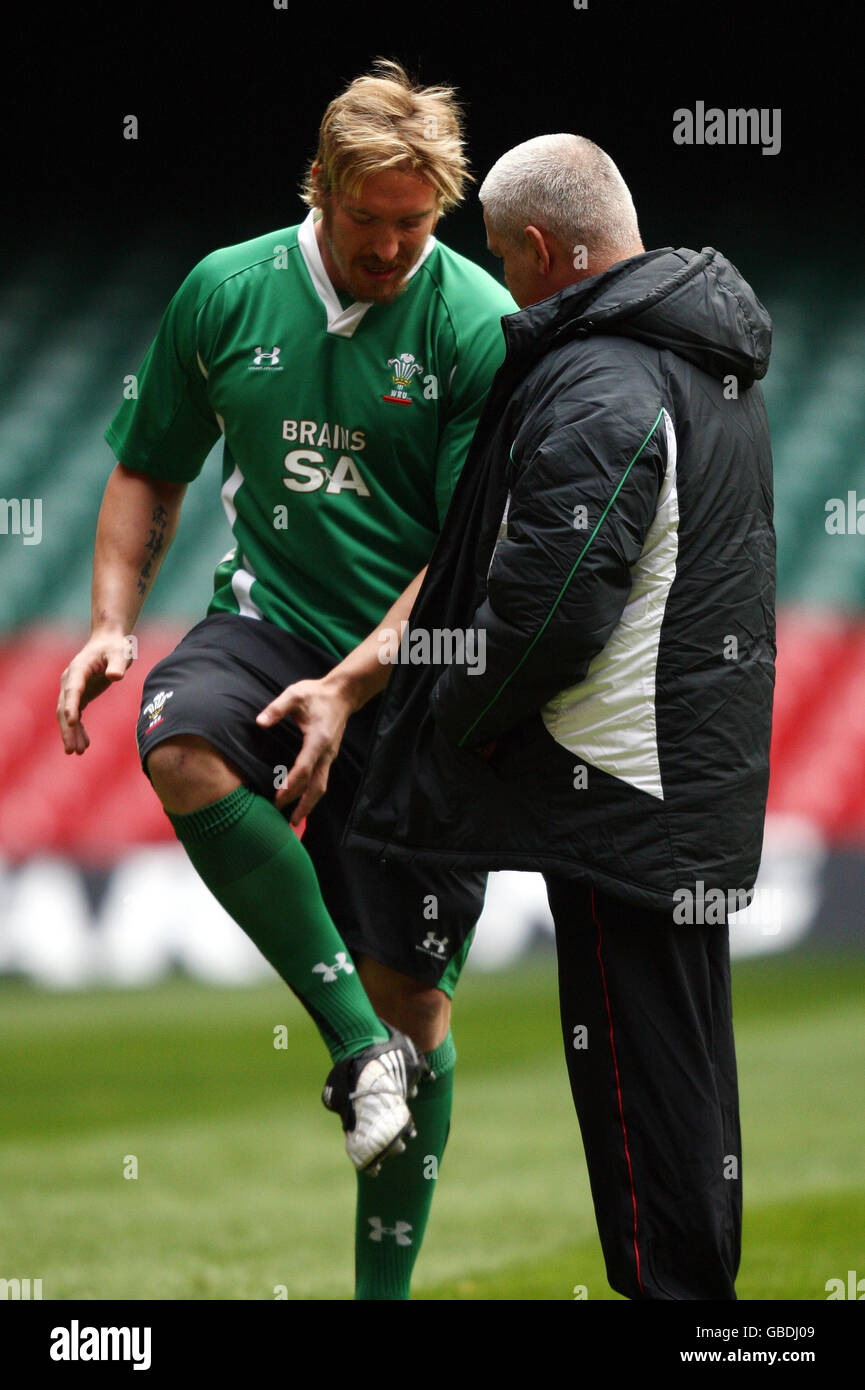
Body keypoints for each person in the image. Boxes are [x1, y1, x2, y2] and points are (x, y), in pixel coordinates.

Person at [56, 60, 515, 1300]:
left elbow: (462, 556)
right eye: (368, 220)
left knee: (421, 1010)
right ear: (317, 187)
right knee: (181, 736)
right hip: (266, 626)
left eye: (416, 222)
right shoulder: (225, 289)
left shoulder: (475, 322)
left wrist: (352, 690)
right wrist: (111, 621)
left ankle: (380, 1287)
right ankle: (351, 1046)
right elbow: (149, 465)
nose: (391, 245)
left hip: (419, 676)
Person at [343, 133, 776, 1299]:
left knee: (646, 1129)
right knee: (684, 1104)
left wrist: (463, 721)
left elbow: (549, 607)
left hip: (617, 804)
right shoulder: (698, 359)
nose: (500, 282)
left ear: (538, 251)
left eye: (499, 255)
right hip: (673, 791)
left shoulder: (603, 377)